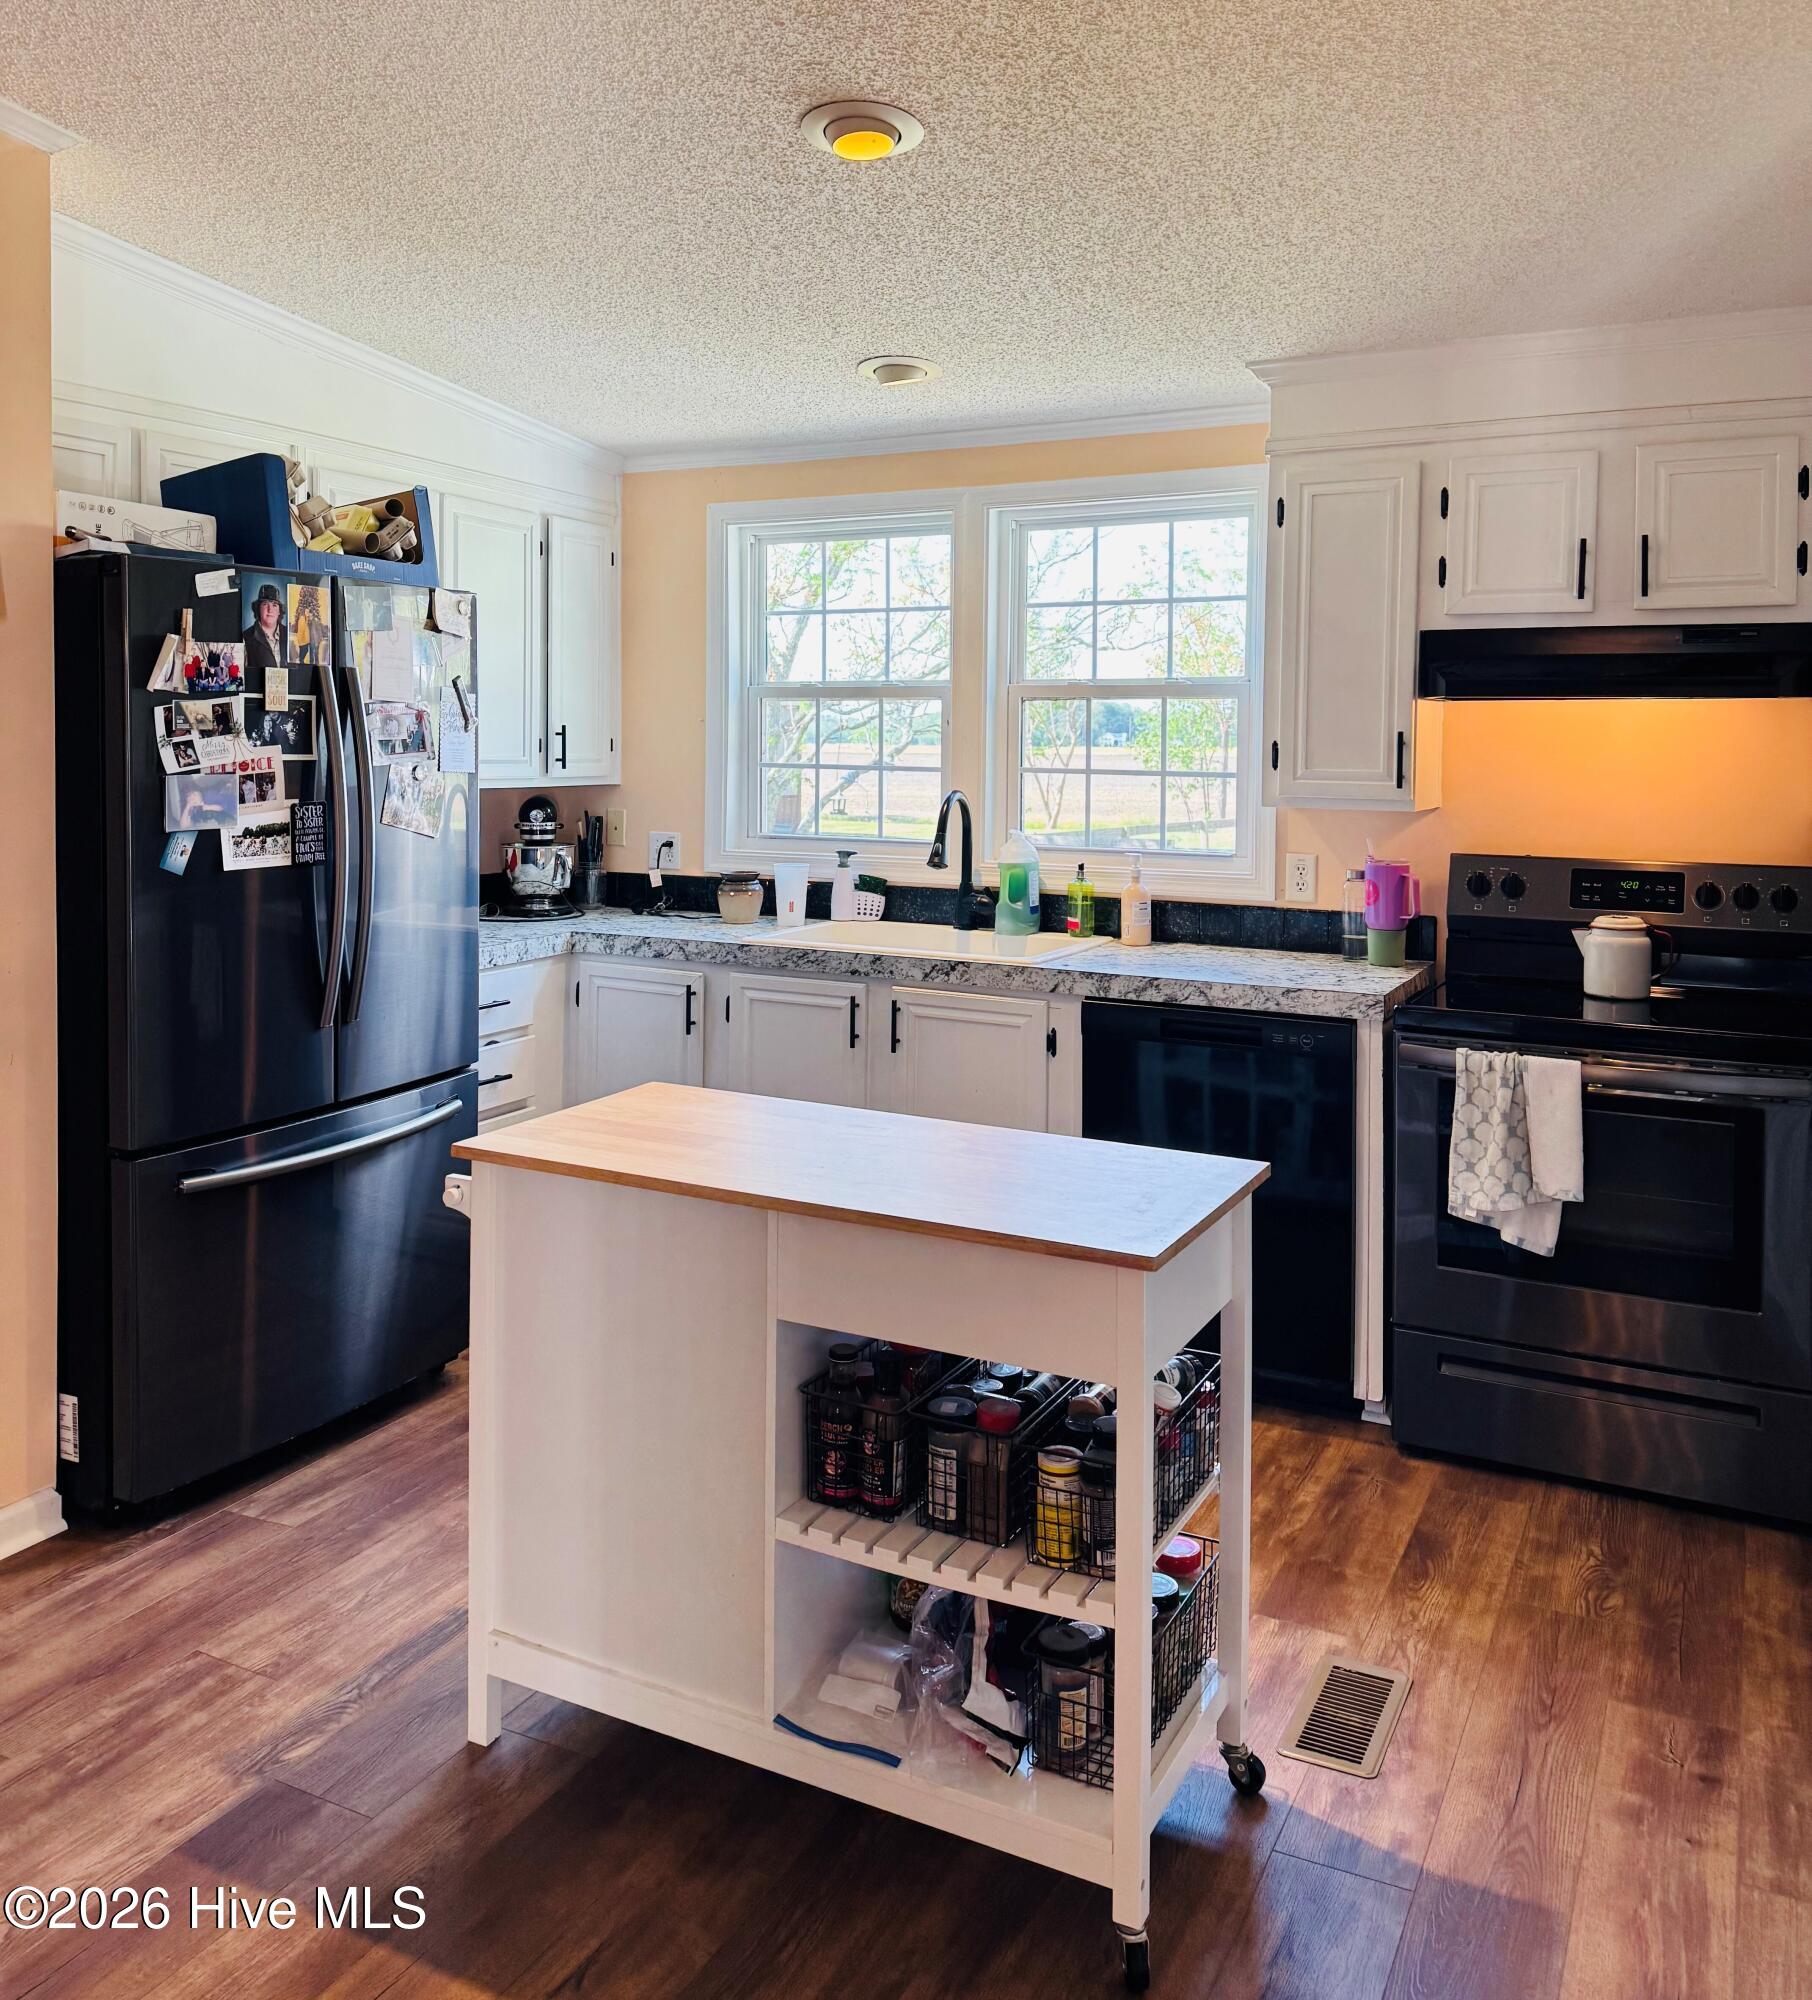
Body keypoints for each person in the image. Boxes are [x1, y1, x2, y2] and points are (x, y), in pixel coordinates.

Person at [243, 583, 285, 677]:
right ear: (258, 608)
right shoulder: (246, 637)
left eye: (274, 605)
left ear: (279, 611)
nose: (270, 610)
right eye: (265, 604)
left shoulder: (289, 635)